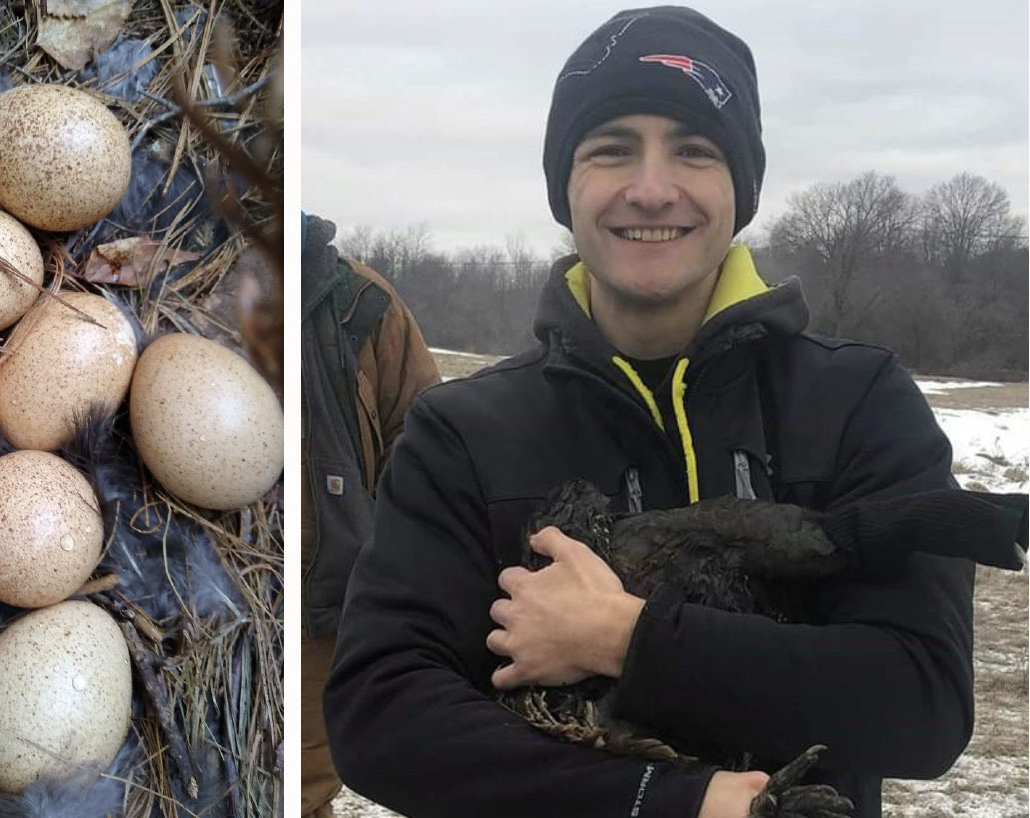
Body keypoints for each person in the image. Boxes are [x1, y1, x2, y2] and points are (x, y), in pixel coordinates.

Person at [323, 7, 975, 818]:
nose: (651, 188)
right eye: (611, 150)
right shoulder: (463, 431)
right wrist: (665, 802)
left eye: (694, 150)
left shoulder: (857, 401)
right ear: (565, 186)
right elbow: (380, 719)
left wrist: (625, 641)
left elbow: (922, 707)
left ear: (740, 188)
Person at [299, 213, 439, 818]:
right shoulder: (204, 268)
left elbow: (427, 452)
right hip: (212, 585)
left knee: (301, 787)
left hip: (325, 607)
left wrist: (391, 578)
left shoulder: (359, 305)